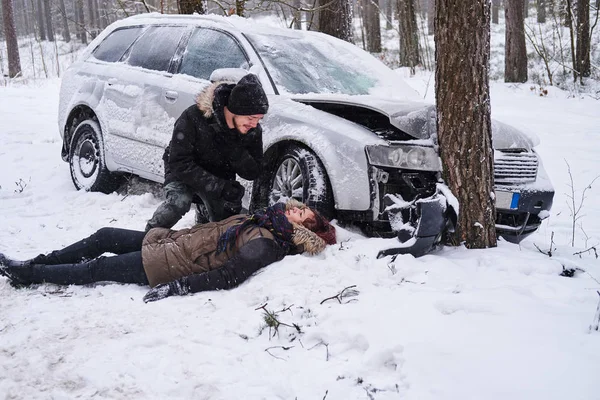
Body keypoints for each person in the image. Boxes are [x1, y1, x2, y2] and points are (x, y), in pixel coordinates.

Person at [0, 200, 336, 303]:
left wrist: (178, 286)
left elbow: (229, 275)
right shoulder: (263, 219)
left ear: (302, 231)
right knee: (104, 235)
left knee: (98, 268)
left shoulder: (266, 243)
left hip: (168, 263)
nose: (294, 209)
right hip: (170, 241)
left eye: (301, 215)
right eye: (299, 207)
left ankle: (26, 275)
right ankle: (36, 262)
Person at [145, 73, 269, 231]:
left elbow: (254, 171)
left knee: (226, 215)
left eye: (259, 119)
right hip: (182, 170)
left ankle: (203, 233)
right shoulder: (194, 117)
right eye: (251, 117)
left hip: (219, 173)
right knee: (179, 201)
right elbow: (179, 163)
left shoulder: (252, 130)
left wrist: (234, 149)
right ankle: (147, 235)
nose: (255, 123)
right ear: (235, 109)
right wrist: (217, 186)